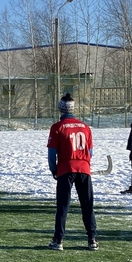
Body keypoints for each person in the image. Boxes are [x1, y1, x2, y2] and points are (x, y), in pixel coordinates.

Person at [47, 93, 98, 251]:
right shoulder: (85, 127)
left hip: (66, 169)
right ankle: (92, 239)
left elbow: (52, 153)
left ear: (60, 109)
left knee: (63, 205)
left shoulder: (57, 127)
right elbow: (90, 152)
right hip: (84, 169)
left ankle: (59, 240)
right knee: (87, 204)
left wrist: (53, 169)